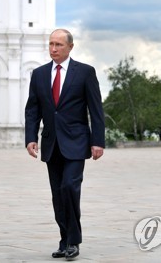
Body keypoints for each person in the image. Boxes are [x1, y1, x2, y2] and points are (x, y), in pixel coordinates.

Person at [25, 28, 105, 260]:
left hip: (77, 141)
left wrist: (97, 141)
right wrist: (31, 137)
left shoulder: (85, 73)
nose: (53, 49)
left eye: (58, 44)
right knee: (58, 194)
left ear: (70, 47)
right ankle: (64, 240)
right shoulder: (39, 74)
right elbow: (32, 109)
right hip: (51, 144)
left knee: (70, 187)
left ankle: (73, 241)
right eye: (51, 44)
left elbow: (96, 110)